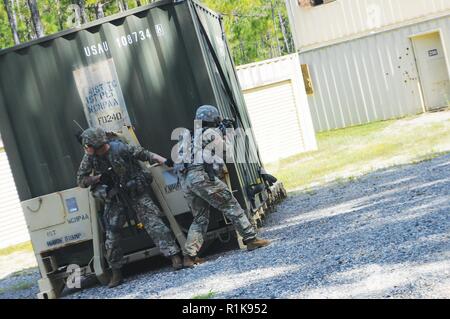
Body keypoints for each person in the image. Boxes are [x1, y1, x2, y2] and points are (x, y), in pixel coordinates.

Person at [76, 127, 183, 288]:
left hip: (135, 192)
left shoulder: (120, 147)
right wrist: (98, 178)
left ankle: (174, 256)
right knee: (111, 236)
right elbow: (81, 181)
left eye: (88, 146)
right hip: (115, 198)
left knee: (154, 223)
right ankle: (116, 272)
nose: (86, 149)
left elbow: (146, 154)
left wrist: (167, 162)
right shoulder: (89, 158)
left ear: (94, 145)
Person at [176, 105, 271, 268]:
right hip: (201, 177)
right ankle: (250, 239)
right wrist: (227, 136)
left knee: (200, 218)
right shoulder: (210, 133)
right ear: (213, 119)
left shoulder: (187, 136)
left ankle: (189, 257)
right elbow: (227, 154)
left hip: (186, 181)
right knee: (231, 205)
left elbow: (178, 161)